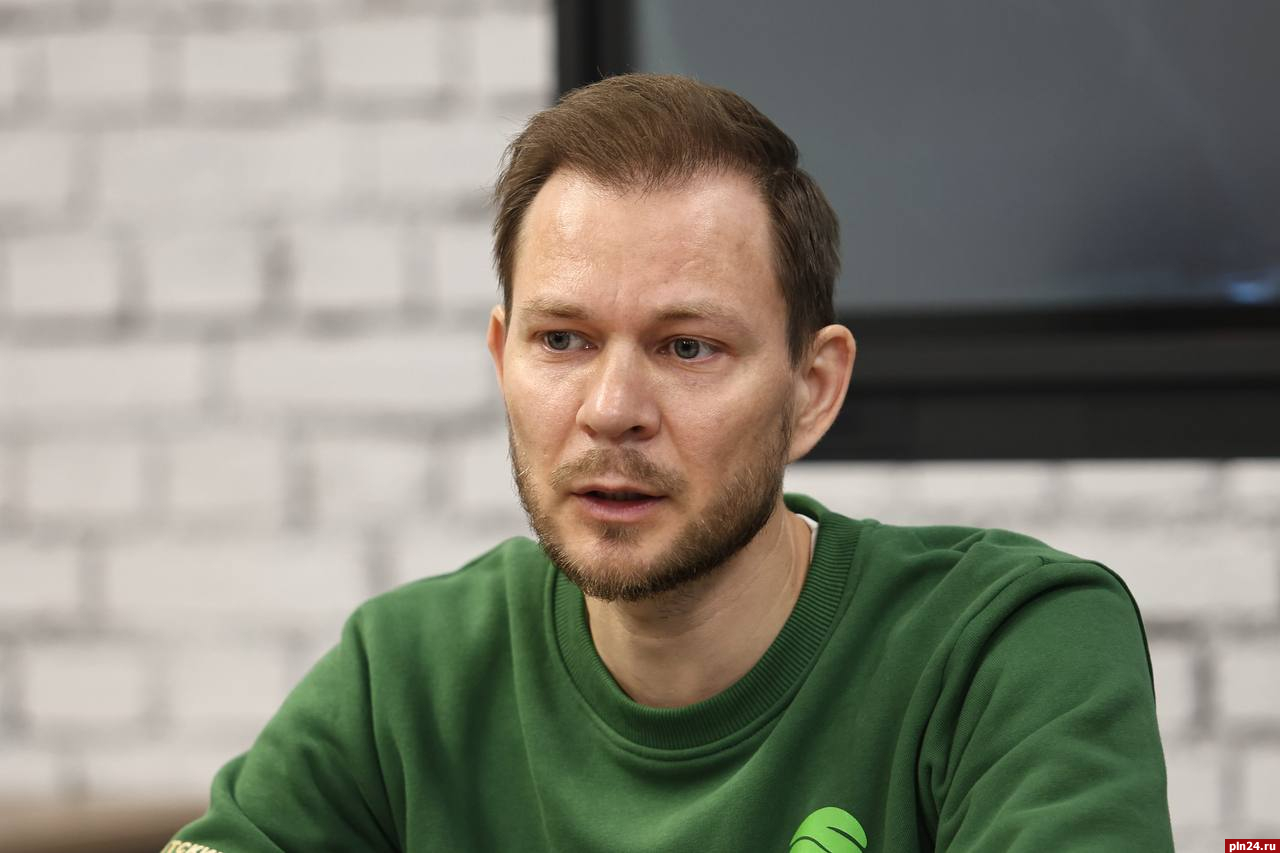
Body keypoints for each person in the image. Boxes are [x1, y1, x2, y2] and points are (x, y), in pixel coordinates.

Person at [164, 73, 1173, 852]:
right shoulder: (406, 675)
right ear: (501, 358)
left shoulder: (1007, 643)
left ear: (812, 388)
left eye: (688, 346)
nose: (611, 411)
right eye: (562, 340)